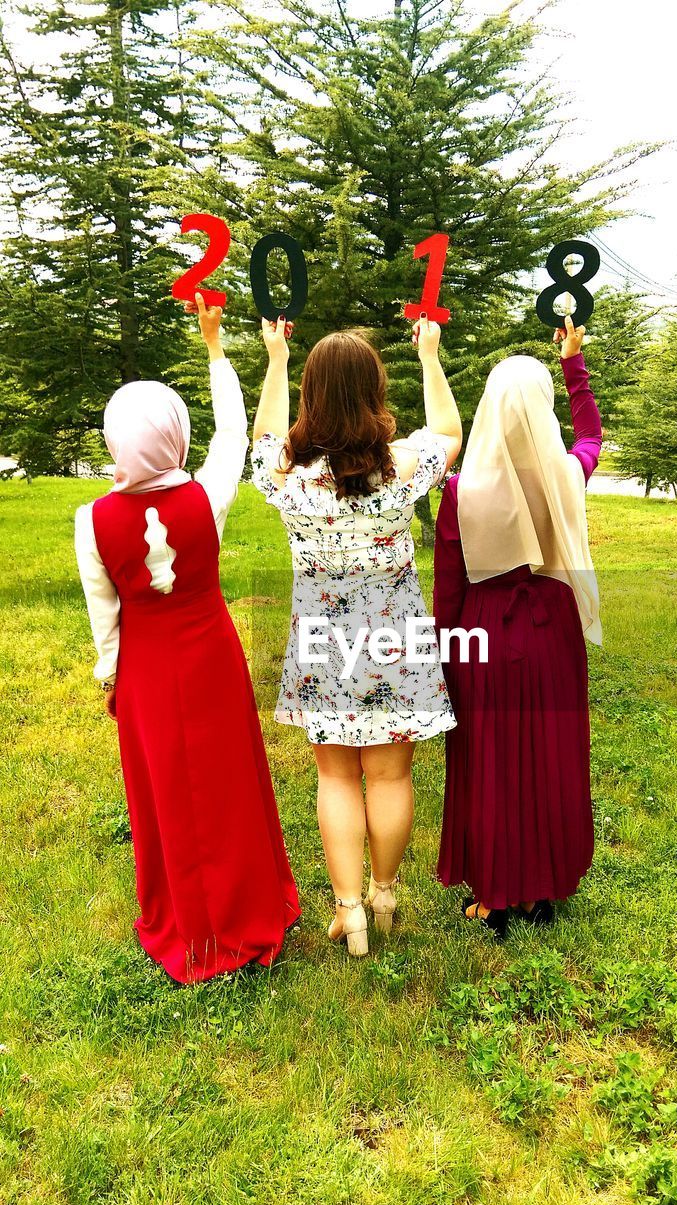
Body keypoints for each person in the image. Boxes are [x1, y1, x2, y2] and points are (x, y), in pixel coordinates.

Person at [74, 294, 300, 983]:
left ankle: (189, 922)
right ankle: (246, 907)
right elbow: (232, 435)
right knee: (227, 782)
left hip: (146, 666)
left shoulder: (91, 520)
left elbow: (104, 615)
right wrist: (216, 350)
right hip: (210, 655)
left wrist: (111, 676)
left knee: (168, 788)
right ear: (173, 433)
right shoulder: (206, 496)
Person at [251, 315, 462, 956]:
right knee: (392, 775)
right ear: (375, 390)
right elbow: (451, 432)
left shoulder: (289, 474)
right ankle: (386, 892)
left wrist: (277, 358)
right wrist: (429, 355)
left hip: (323, 645)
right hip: (393, 641)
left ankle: (351, 912)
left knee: (337, 778)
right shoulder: (402, 467)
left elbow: (263, 432)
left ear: (312, 395)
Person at [433, 315, 602, 938]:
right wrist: (573, 365)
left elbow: (449, 586)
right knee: (551, 759)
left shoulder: (459, 492)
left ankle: (495, 897)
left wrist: (442, 655)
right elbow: (590, 436)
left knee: (488, 760)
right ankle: (544, 890)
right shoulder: (566, 479)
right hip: (552, 631)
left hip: (482, 631)